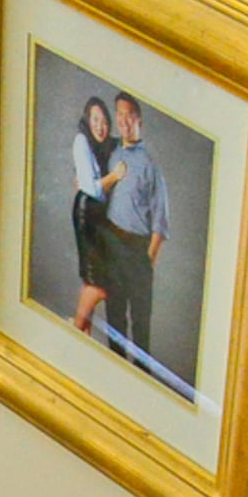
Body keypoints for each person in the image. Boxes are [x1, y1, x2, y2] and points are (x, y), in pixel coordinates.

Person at [97, 92, 170, 356]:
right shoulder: (112, 153)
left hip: (138, 249)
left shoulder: (150, 165)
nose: (124, 121)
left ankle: (139, 376)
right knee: (114, 318)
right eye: (119, 115)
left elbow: (161, 221)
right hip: (112, 245)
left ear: (139, 119)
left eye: (129, 115)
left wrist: (146, 261)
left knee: (140, 324)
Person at [67, 96, 118, 338]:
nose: (100, 126)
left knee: (92, 280)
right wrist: (115, 176)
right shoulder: (81, 141)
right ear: (87, 121)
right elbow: (93, 190)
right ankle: (76, 329)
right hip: (87, 215)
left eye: (104, 121)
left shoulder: (107, 146)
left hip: (100, 218)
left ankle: (81, 335)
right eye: (95, 120)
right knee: (99, 285)